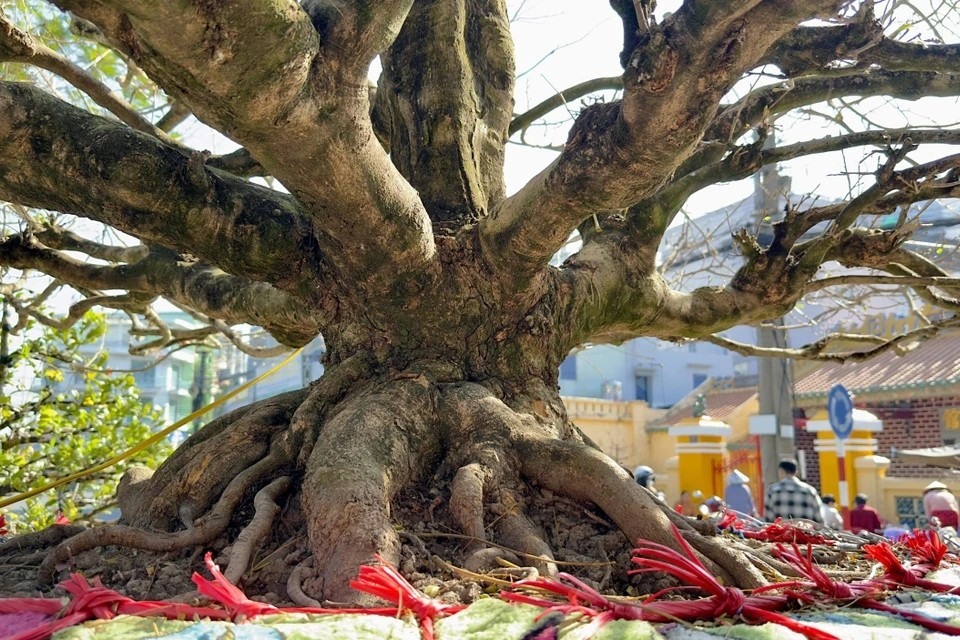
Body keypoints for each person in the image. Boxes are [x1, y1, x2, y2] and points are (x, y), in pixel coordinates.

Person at [764, 459, 823, 524]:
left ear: (781, 471)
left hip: (781, 533)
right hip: (805, 532)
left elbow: (768, 520)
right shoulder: (810, 491)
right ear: (796, 472)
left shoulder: (772, 490)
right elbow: (819, 519)